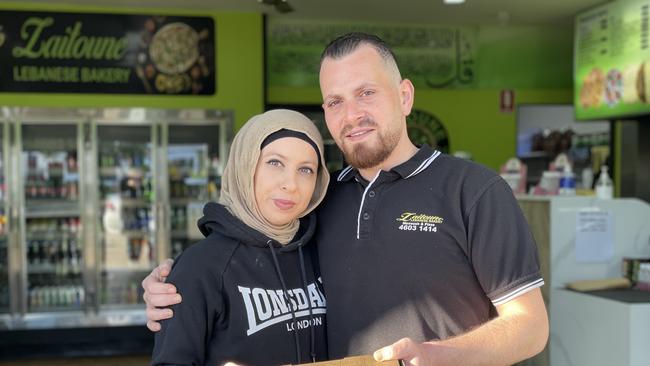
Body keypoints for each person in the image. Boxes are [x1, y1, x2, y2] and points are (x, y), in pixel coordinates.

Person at [143, 33, 548, 366]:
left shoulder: (474, 191)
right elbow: (256, 258)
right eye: (336, 101)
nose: (351, 114)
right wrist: (176, 288)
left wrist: (439, 355)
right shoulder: (320, 200)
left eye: (366, 92)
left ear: (404, 96)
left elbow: (530, 328)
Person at [149, 109, 330, 365]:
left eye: (306, 170)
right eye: (275, 163)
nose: (291, 184)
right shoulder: (200, 267)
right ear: (245, 166)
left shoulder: (323, 250)